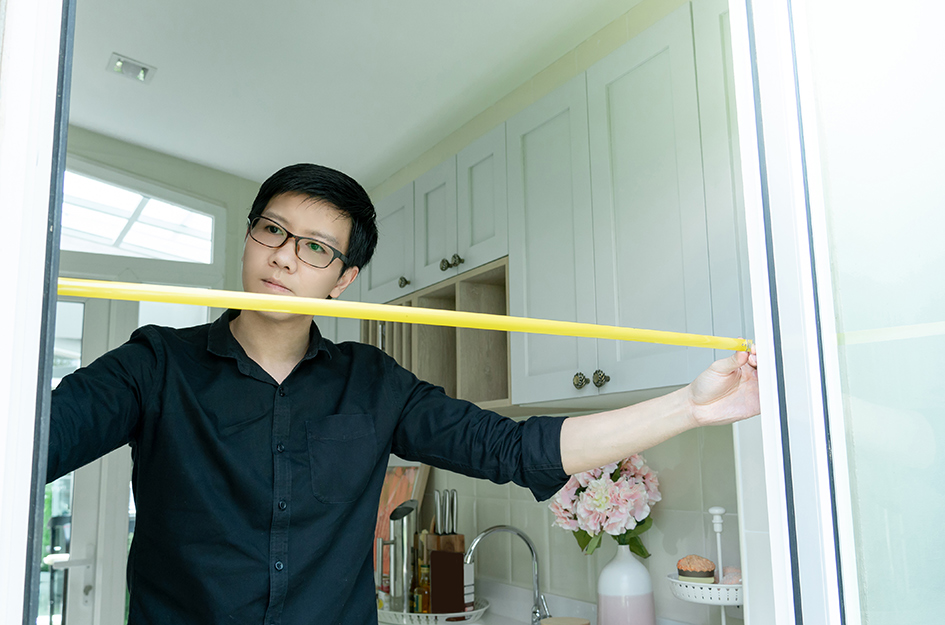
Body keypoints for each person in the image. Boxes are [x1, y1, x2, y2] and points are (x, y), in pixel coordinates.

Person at [47, 163, 759, 624]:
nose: (287, 256)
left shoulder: (375, 383)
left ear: (343, 278)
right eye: (273, 230)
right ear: (250, 237)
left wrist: (690, 407)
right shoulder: (152, 366)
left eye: (317, 248)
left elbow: (516, 447)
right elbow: (30, 442)